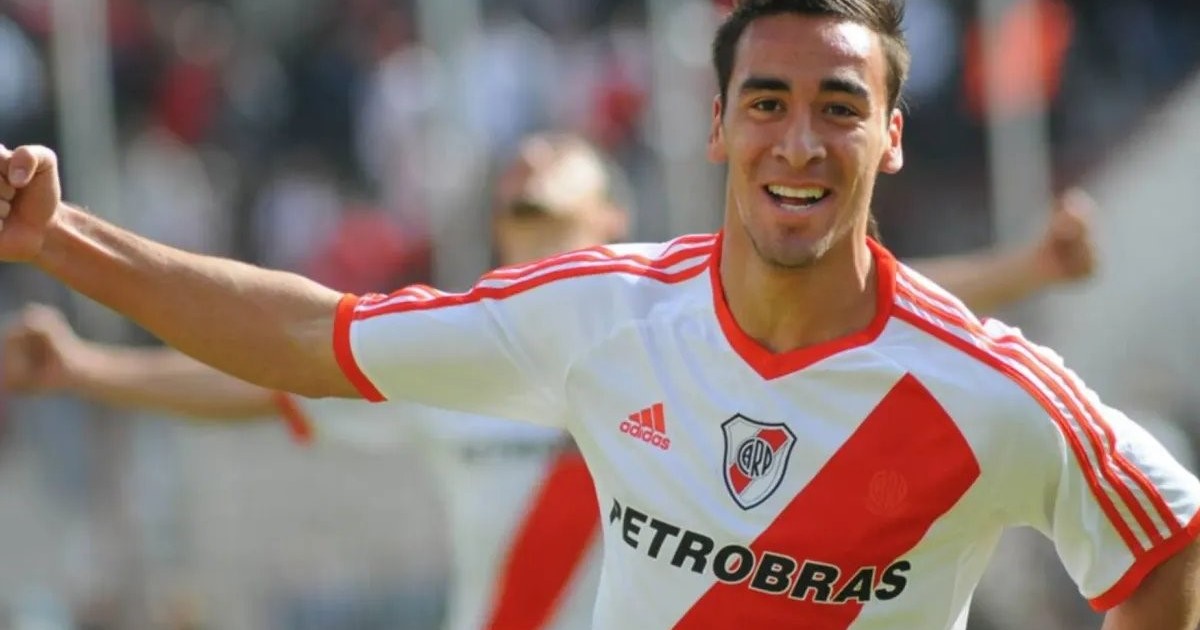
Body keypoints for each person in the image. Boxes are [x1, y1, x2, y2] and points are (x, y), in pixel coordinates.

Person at [0, 0, 1195, 627]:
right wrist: (61, 243)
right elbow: (304, 342)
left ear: (890, 137)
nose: (798, 139)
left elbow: (1164, 539)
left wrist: (1029, 263)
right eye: (766, 102)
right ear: (716, 126)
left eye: (839, 107)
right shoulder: (594, 319)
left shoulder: (987, 390)